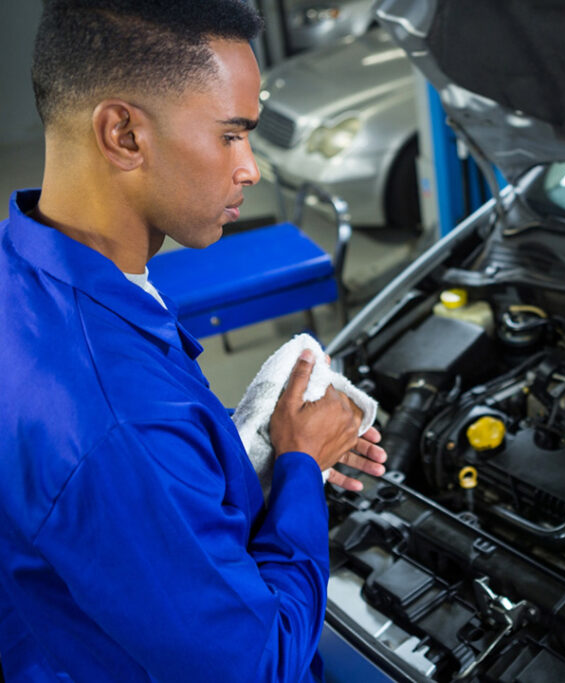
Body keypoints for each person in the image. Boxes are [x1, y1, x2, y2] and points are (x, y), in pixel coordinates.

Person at [0, 1, 387, 680]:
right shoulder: (121, 417)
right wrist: (299, 467)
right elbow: (260, 666)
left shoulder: (24, 266)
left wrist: (238, 459)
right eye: (232, 135)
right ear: (123, 133)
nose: (252, 169)